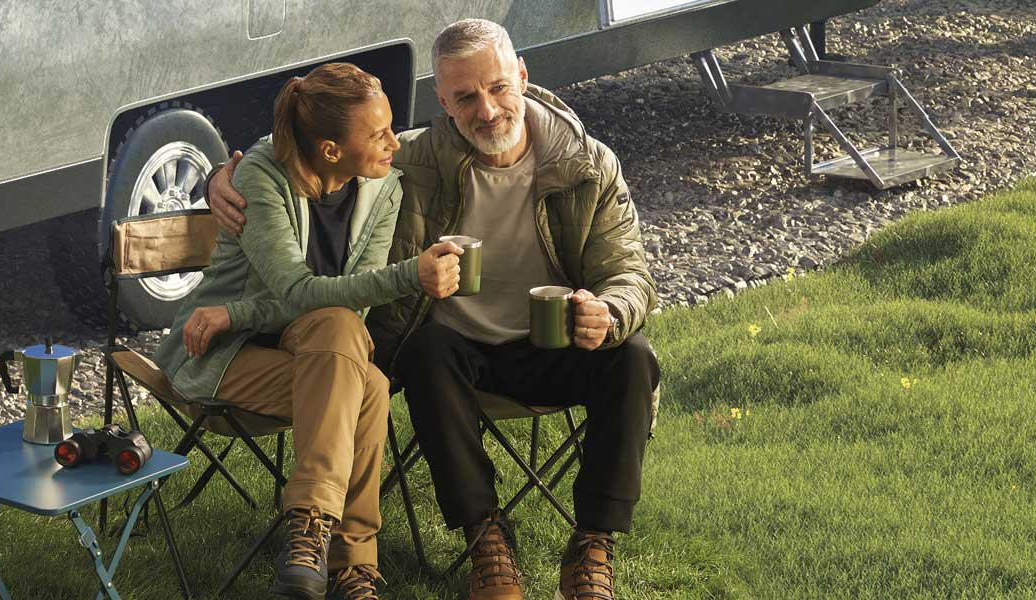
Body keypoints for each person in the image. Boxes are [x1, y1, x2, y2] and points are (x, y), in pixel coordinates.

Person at [207, 19, 659, 600]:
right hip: (453, 355)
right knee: (426, 352)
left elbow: (630, 273)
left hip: (553, 344)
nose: (486, 110)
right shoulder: (413, 161)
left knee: (633, 356)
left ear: (523, 76)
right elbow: (316, 140)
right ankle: (486, 541)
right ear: (443, 103)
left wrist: (610, 310)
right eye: (465, 97)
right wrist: (222, 176)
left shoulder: (588, 164)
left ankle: (593, 544)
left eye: (498, 87)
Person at [154, 62, 464, 600]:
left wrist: (239, 310)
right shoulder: (262, 178)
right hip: (221, 352)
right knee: (369, 386)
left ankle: (309, 540)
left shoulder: (383, 187)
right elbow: (297, 292)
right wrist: (411, 275)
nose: (394, 143)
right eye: (379, 134)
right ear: (330, 150)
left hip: (315, 352)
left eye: (391, 127)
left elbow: (350, 303)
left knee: (348, 342)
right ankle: (347, 562)